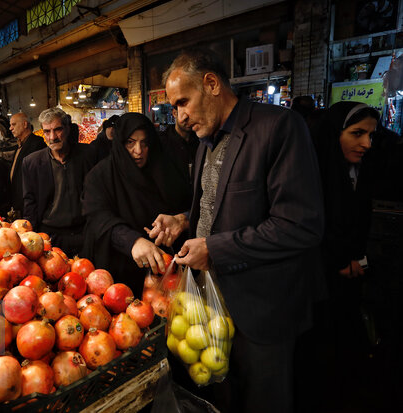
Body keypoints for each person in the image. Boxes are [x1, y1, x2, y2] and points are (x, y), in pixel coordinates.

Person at [149, 49, 324, 413]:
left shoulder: (277, 127)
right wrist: (183, 219)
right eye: (174, 108)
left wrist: (214, 248)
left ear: (211, 84)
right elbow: (220, 207)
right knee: (225, 398)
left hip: (262, 312)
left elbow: (299, 225)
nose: (179, 118)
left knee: (263, 401)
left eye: (183, 102)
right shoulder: (204, 144)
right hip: (214, 310)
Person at [302, 102, 380, 412]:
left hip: (350, 284)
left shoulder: (361, 171)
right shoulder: (313, 177)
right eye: (357, 134)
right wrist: (336, 262)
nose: (366, 144)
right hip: (319, 290)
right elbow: (310, 232)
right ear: (334, 134)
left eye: (371, 135)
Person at [82, 113, 191, 296]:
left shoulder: (164, 170)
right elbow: (98, 217)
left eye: (144, 143)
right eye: (130, 142)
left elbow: (185, 205)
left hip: (163, 274)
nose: (138, 150)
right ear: (119, 143)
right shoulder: (100, 176)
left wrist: (178, 222)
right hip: (119, 275)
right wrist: (132, 241)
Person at [22, 107, 97, 256]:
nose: (52, 137)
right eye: (47, 132)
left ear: (67, 129)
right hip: (50, 236)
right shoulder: (32, 163)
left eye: (57, 130)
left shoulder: (89, 155)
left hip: (85, 233)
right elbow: (30, 203)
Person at [9, 112, 47, 216]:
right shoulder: (20, 145)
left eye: (13, 124)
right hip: (19, 203)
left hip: (30, 205)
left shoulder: (36, 145)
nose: (10, 128)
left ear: (25, 124)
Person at [160, 107, 199, 187]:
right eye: (184, 114)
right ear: (174, 113)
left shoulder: (201, 141)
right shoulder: (161, 142)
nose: (189, 119)